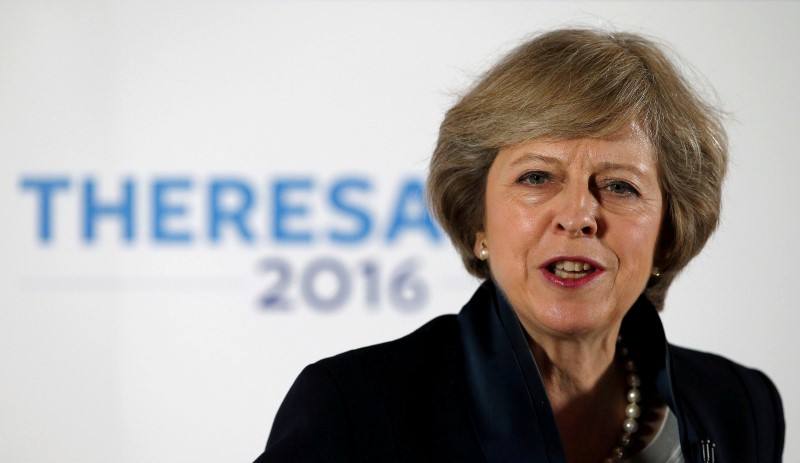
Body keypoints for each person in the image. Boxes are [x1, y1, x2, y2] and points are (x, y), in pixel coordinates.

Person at [254, 28, 784, 463]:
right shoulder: (352, 408)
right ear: (478, 222)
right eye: (536, 178)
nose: (578, 216)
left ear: (669, 232)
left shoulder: (739, 406)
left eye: (620, 186)